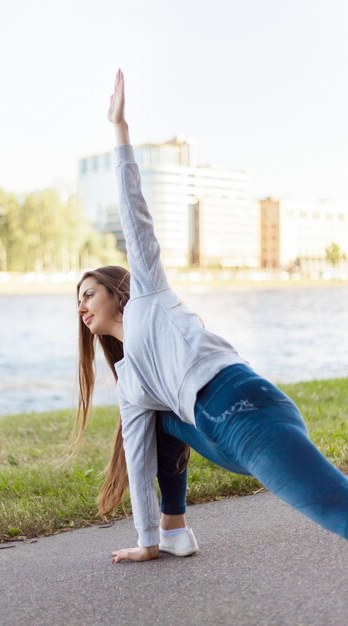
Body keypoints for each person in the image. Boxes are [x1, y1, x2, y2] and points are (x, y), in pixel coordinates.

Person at [74, 68, 348, 564]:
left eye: (90, 292)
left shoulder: (150, 298)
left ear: (118, 292)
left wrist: (120, 130)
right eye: (79, 299)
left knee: (337, 507)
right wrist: (146, 541)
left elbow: (134, 213)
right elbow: (137, 460)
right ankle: (173, 530)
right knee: (156, 424)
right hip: (220, 433)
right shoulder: (132, 380)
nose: (83, 305)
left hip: (246, 410)